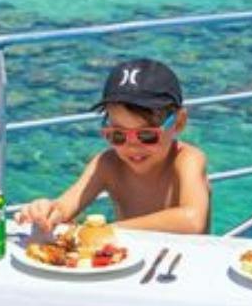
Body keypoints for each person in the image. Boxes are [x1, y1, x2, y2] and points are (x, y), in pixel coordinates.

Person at [17, 58, 210, 234]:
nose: (132, 146)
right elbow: (64, 207)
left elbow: (192, 221)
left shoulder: (187, 159)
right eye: (118, 135)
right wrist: (45, 211)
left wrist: (106, 230)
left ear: (178, 123)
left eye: (147, 134)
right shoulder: (108, 164)